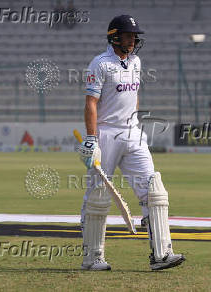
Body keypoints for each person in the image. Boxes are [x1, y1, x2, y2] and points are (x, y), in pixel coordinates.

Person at [76, 15, 185, 271]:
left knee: (153, 192)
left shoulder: (136, 61)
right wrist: (91, 139)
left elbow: (133, 96)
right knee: (97, 196)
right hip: (106, 133)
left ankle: (161, 255)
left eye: (134, 36)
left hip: (133, 133)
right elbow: (91, 103)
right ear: (114, 37)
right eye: (128, 35)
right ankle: (93, 258)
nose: (133, 40)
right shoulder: (99, 64)